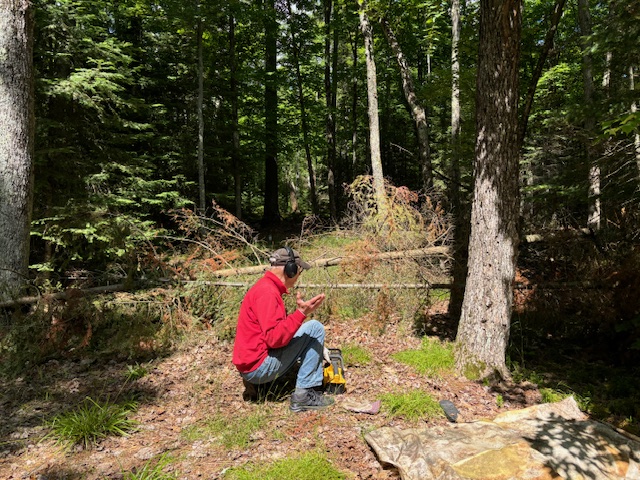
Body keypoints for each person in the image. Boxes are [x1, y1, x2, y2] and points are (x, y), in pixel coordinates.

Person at [232, 247, 334, 412]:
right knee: (315, 328)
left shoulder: (265, 287)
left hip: (250, 364)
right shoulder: (268, 293)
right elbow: (275, 339)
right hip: (256, 368)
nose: (298, 276)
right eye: (299, 270)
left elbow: (276, 331)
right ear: (290, 270)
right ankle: (304, 396)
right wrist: (301, 314)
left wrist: (306, 339)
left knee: (310, 330)